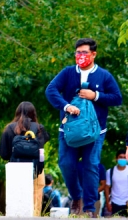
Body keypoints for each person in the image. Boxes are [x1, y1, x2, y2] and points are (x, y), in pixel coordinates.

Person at [45, 38, 122, 217]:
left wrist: (95, 95)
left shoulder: (104, 76)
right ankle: (76, 197)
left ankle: (89, 208)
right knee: (66, 163)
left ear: (94, 54)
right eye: (78, 53)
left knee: (91, 165)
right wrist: (66, 106)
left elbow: (117, 98)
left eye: (84, 53)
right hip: (69, 131)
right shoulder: (67, 73)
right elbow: (51, 90)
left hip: (95, 132)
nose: (80, 56)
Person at [0, 101, 50, 216]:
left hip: (16, 170)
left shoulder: (9, 129)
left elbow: (3, 153)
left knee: (17, 202)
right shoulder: (40, 129)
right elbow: (41, 150)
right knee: (36, 203)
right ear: (34, 113)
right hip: (37, 170)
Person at [105, 150, 128, 217]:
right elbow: (107, 187)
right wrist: (107, 202)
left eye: (124, 157)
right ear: (116, 158)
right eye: (120, 157)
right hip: (115, 203)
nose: (122, 159)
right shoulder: (110, 171)